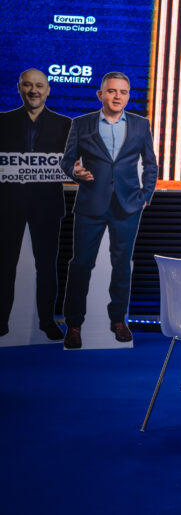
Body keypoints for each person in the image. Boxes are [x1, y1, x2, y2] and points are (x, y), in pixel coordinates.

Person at [60, 72, 158, 349]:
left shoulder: (141, 124)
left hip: (128, 206)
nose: (118, 96)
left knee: (122, 264)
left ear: (128, 96)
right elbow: (67, 161)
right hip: (91, 204)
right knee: (81, 264)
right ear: (100, 94)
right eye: (112, 91)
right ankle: (74, 325)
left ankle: (118, 320)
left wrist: (145, 196)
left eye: (123, 92)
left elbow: (150, 164)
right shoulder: (81, 124)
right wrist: (74, 172)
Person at [0, 69, 71, 340]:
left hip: (47, 205)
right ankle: (1, 322)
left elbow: (74, 162)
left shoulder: (65, 124)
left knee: (47, 266)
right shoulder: (2, 122)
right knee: (4, 265)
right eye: (28, 85)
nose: (34, 91)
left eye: (39, 86)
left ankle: (47, 322)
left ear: (48, 90)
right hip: (8, 204)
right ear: (19, 88)